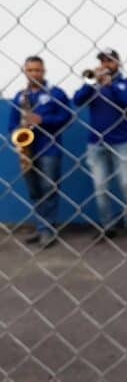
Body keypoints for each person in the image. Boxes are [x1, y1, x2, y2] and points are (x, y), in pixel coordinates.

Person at [73, 49, 127, 238]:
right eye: (102, 61)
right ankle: (107, 226)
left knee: (126, 183)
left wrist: (110, 86)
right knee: (100, 187)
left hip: (123, 143)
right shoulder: (93, 85)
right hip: (96, 144)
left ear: (118, 63)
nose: (106, 65)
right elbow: (77, 101)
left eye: (110, 61)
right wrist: (90, 84)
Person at [8, 56, 71, 248]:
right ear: (25, 71)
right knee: (34, 190)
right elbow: (11, 123)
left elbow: (67, 116)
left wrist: (42, 120)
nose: (34, 73)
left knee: (48, 189)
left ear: (44, 71)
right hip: (27, 150)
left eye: (38, 70)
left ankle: (47, 230)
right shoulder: (20, 96)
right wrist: (17, 135)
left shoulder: (56, 93)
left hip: (48, 148)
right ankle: (42, 226)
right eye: (31, 70)